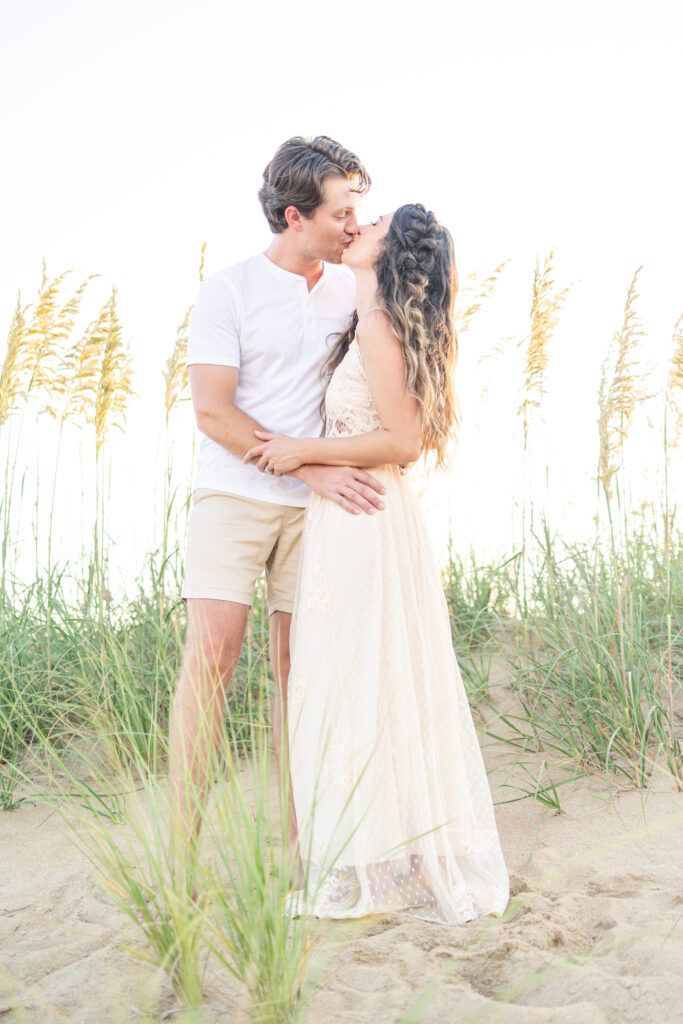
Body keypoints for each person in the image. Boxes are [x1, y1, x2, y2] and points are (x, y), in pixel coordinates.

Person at [243, 204, 510, 924]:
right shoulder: (366, 321)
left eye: (380, 221)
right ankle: (381, 862)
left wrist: (303, 452)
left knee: (356, 679)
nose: (363, 223)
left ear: (395, 252)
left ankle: (383, 869)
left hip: (364, 519)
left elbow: (402, 440)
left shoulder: (383, 325)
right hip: (355, 519)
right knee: (357, 680)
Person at [169, 136, 387, 872]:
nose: (354, 225)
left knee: (303, 674)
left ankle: (304, 857)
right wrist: (308, 469)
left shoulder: (352, 285)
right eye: (341, 212)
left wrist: (321, 472)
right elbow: (213, 413)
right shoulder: (227, 290)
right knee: (210, 660)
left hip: (317, 512)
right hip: (233, 495)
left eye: (357, 209)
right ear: (295, 216)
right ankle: (180, 859)